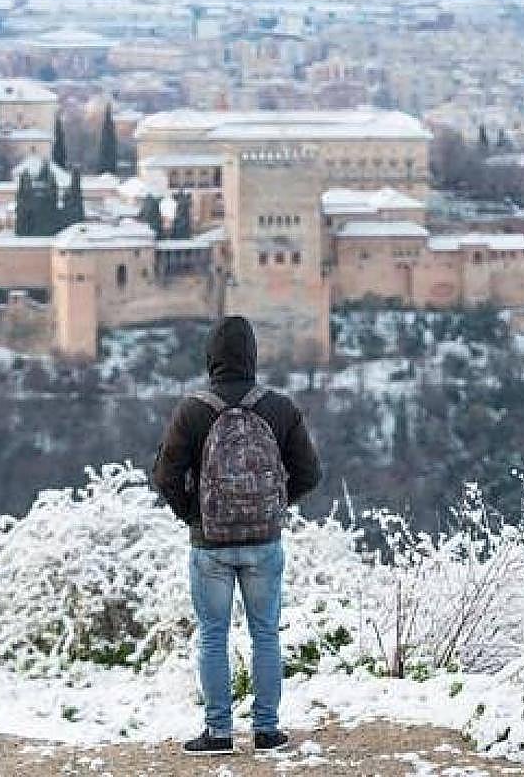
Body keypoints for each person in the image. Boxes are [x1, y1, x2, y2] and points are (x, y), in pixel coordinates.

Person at [152, 315, 321, 756]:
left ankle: (219, 732)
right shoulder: (279, 408)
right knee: (265, 634)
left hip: (210, 544)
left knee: (213, 636)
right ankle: (267, 731)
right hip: (264, 541)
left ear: (211, 358)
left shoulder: (193, 411)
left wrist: (194, 515)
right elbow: (309, 473)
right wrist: (274, 507)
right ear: (252, 356)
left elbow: (166, 475)